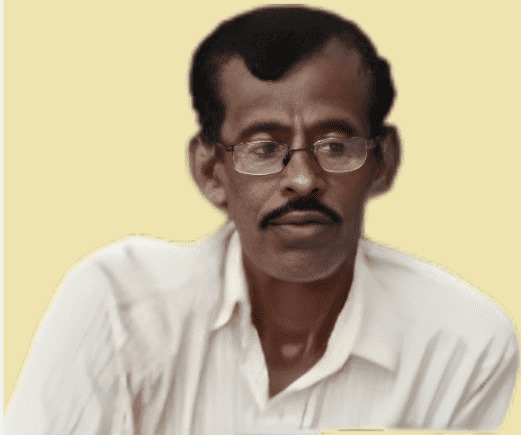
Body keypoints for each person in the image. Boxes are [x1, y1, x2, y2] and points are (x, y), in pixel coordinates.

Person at [6, 5, 518, 434]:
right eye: (264, 147)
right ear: (210, 171)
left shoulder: (463, 345)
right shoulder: (120, 309)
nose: (303, 179)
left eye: (335, 145)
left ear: (382, 162)